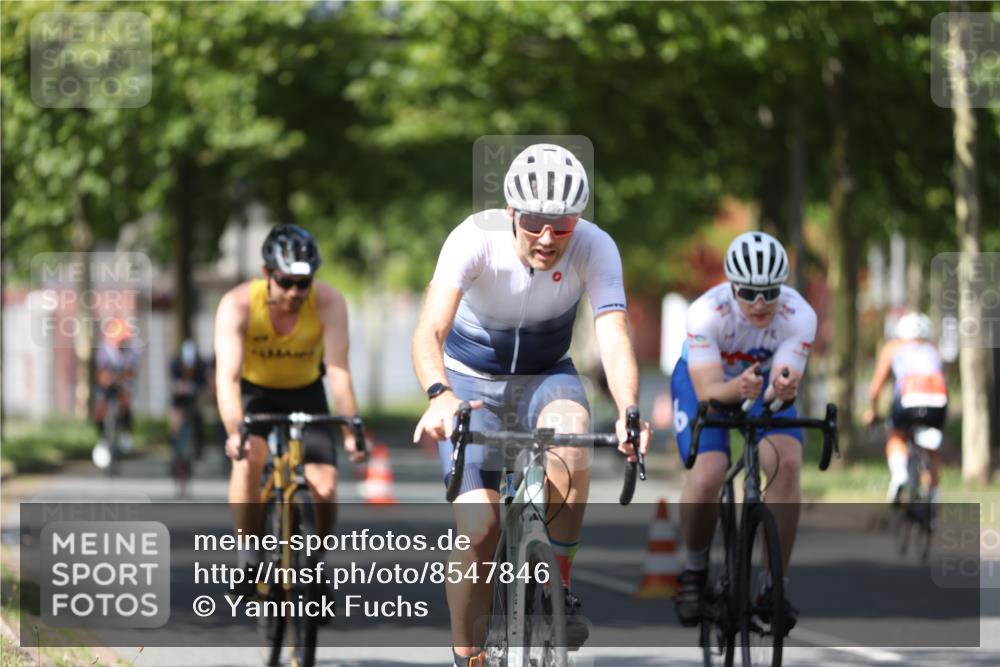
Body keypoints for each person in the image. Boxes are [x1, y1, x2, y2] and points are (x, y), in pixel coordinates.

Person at [411, 143, 651, 667]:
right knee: (480, 530)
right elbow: (429, 330)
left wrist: (630, 410)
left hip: (547, 375)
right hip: (469, 382)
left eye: (562, 225)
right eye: (535, 222)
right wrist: (440, 395)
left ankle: (557, 587)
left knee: (574, 442)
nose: (548, 238)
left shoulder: (596, 246)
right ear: (512, 212)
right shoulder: (473, 239)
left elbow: (613, 334)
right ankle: (466, 653)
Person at [671, 231, 817, 632]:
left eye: (769, 292)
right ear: (731, 286)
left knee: (787, 463)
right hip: (705, 382)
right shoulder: (706, 313)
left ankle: (774, 585)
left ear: (781, 288)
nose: (759, 303)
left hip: (762, 382)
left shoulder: (799, 315)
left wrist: (779, 388)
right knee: (708, 475)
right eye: (748, 292)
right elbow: (709, 392)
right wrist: (737, 391)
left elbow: (783, 383)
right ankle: (694, 571)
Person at [213, 224, 364, 595]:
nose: (296, 292)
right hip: (254, 392)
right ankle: (248, 554)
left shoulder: (329, 303)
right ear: (266, 274)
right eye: (286, 282)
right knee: (248, 459)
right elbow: (227, 378)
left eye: (304, 283)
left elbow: (338, 371)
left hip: (305, 391)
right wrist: (235, 432)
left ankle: (317, 561)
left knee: (324, 485)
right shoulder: (237, 306)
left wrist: (350, 432)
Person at [863, 312, 948, 504]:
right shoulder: (934, 350)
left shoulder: (893, 348)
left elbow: (876, 387)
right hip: (937, 402)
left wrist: (872, 410)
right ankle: (933, 498)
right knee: (932, 448)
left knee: (897, 435)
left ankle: (899, 474)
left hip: (908, 400)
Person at [93, 317, 140, 457]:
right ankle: (102, 437)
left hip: (123, 382)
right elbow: (101, 371)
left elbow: (131, 371)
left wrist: (122, 379)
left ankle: (126, 432)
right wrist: (107, 379)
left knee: (126, 401)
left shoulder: (132, 350)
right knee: (99, 408)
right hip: (107, 383)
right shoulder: (104, 350)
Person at [168, 339, 209, 487]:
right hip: (178, 400)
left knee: (198, 419)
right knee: (175, 425)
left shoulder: (201, 366)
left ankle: (199, 450)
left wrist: (197, 391)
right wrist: (179, 387)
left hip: (193, 399)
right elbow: (172, 384)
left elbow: (205, 386)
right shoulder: (174, 364)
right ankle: (174, 454)